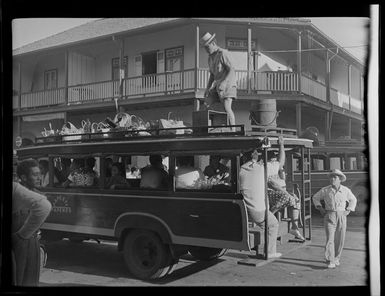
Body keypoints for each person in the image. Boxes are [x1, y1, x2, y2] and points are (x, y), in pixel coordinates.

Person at [13, 159, 52, 286]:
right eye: (35, 174)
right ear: (23, 177)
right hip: (18, 244)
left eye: (40, 174)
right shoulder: (17, 194)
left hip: (32, 243)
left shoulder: (38, 195)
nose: (39, 177)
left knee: (31, 280)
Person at [239, 148, 281, 258]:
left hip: (245, 209)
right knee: (273, 224)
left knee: (267, 223)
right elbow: (280, 163)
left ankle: (262, 250)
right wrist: (281, 145)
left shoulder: (241, 170)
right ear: (255, 155)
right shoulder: (262, 168)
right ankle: (270, 252)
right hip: (257, 209)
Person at [312, 169, 357, 269]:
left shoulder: (345, 190)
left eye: (335, 177)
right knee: (330, 239)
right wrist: (320, 208)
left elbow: (353, 199)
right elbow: (315, 197)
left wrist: (348, 210)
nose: (332, 179)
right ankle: (330, 260)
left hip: (342, 215)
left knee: (340, 238)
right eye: (331, 177)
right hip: (329, 215)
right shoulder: (325, 190)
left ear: (340, 179)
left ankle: (336, 258)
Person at [266, 136, 305, 241]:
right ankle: (269, 215)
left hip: (278, 192)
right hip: (269, 193)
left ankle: (294, 227)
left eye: (275, 155)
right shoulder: (264, 166)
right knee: (288, 197)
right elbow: (272, 184)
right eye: (273, 155)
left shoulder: (273, 165)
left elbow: (281, 160)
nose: (275, 157)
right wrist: (286, 192)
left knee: (296, 199)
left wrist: (281, 145)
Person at [200, 32, 237, 131]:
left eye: (207, 47)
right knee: (205, 104)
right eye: (204, 48)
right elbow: (212, 75)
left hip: (228, 85)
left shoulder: (223, 53)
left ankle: (233, 131)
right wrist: (207, 88)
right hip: (217, 86)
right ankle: (207, 129)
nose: (206, 50)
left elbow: (231, 69)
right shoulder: (210, 58)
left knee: (226, 107)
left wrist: (224, 83)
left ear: (213, 43)